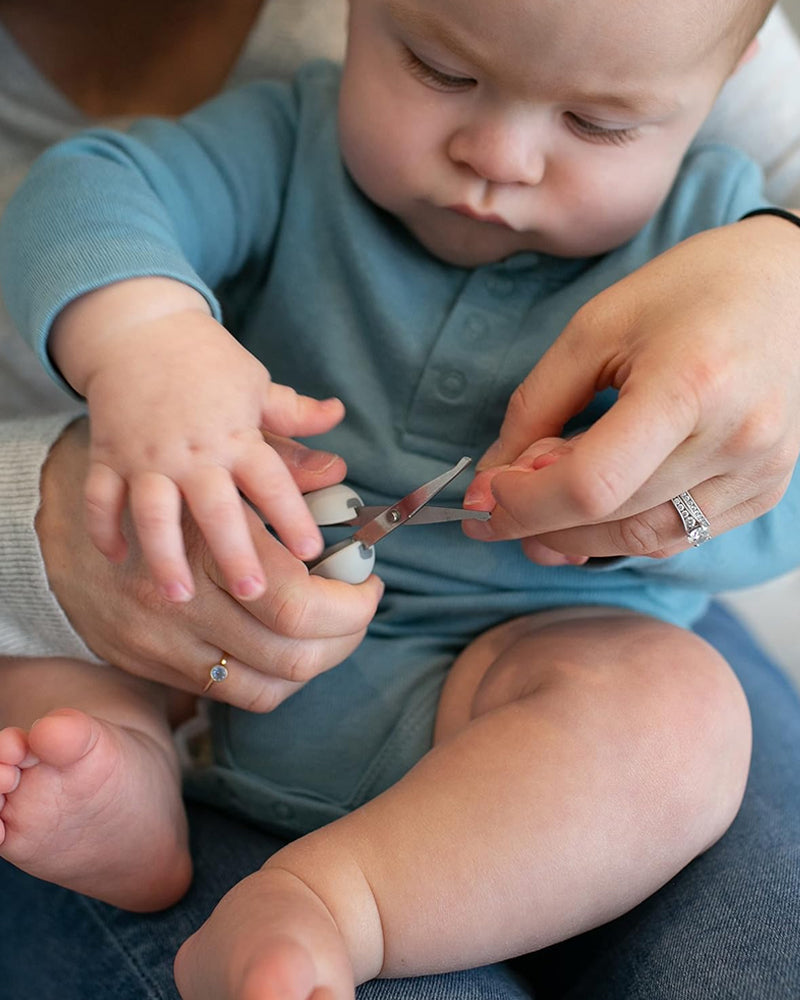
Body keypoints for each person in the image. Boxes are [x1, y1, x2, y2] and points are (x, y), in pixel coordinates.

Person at [0, 4, 799, 1000]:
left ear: (708, 107)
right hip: (196, 632)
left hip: (507, 682)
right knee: (52, 659)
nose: (496, 155)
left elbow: (774, 496)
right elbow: (89, 186)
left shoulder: (712, 245)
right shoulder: (290, 140)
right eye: (436, 70)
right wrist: (145, 338)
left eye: (594, 127)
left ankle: (338, 904)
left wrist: (654, 512)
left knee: (679, 720)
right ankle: (123, 783)